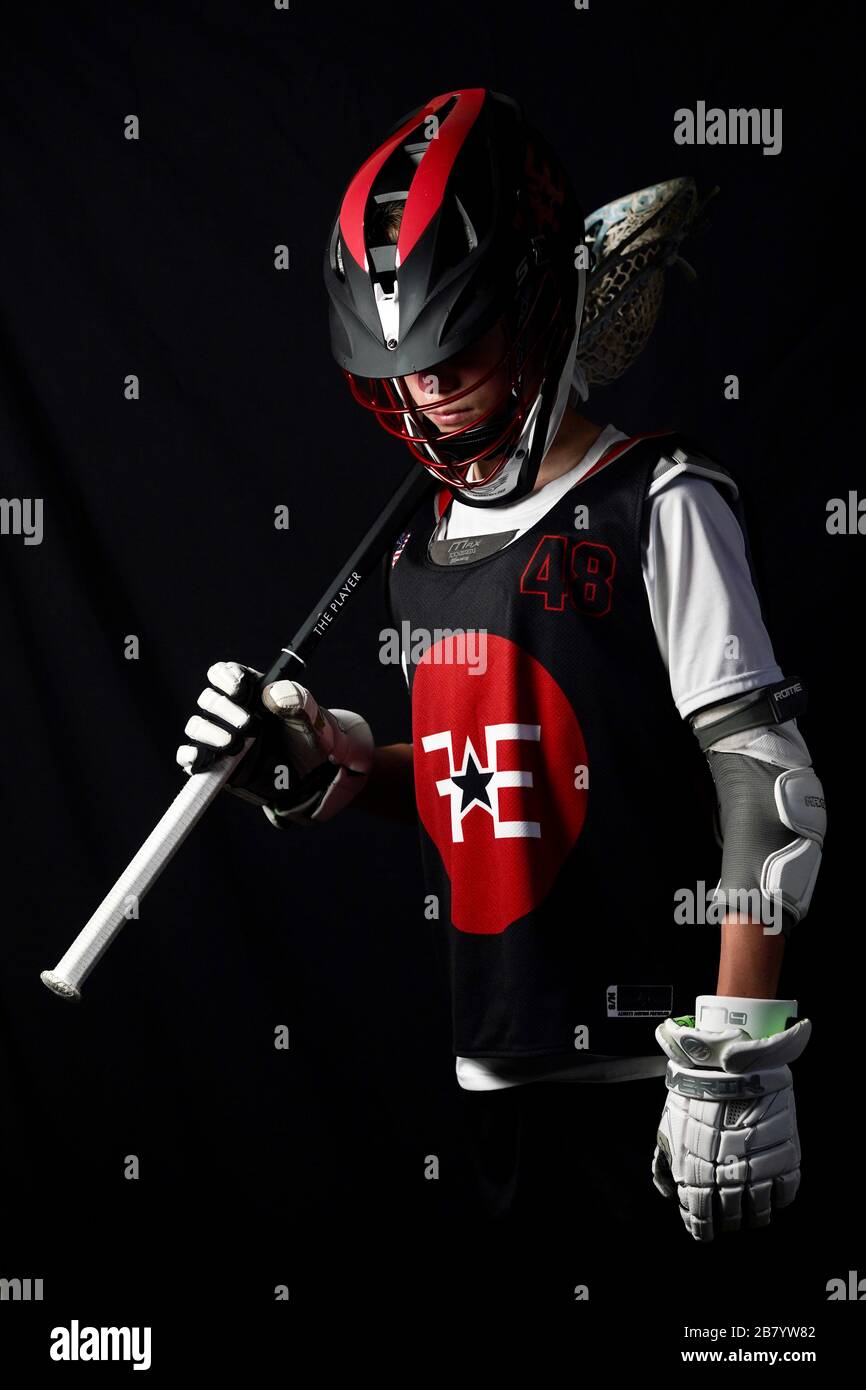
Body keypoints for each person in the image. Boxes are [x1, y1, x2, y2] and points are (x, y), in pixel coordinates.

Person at [176, 88, 826, 1244]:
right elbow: (480, 777)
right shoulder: (418, 552)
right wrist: (326, 762)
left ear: (532, 304)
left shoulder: (656, 502)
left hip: (661, 1079)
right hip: (491, 1075)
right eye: (403, 361)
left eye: (454, 344)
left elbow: (766, 789)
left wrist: (735, 1044)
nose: (426, 386)